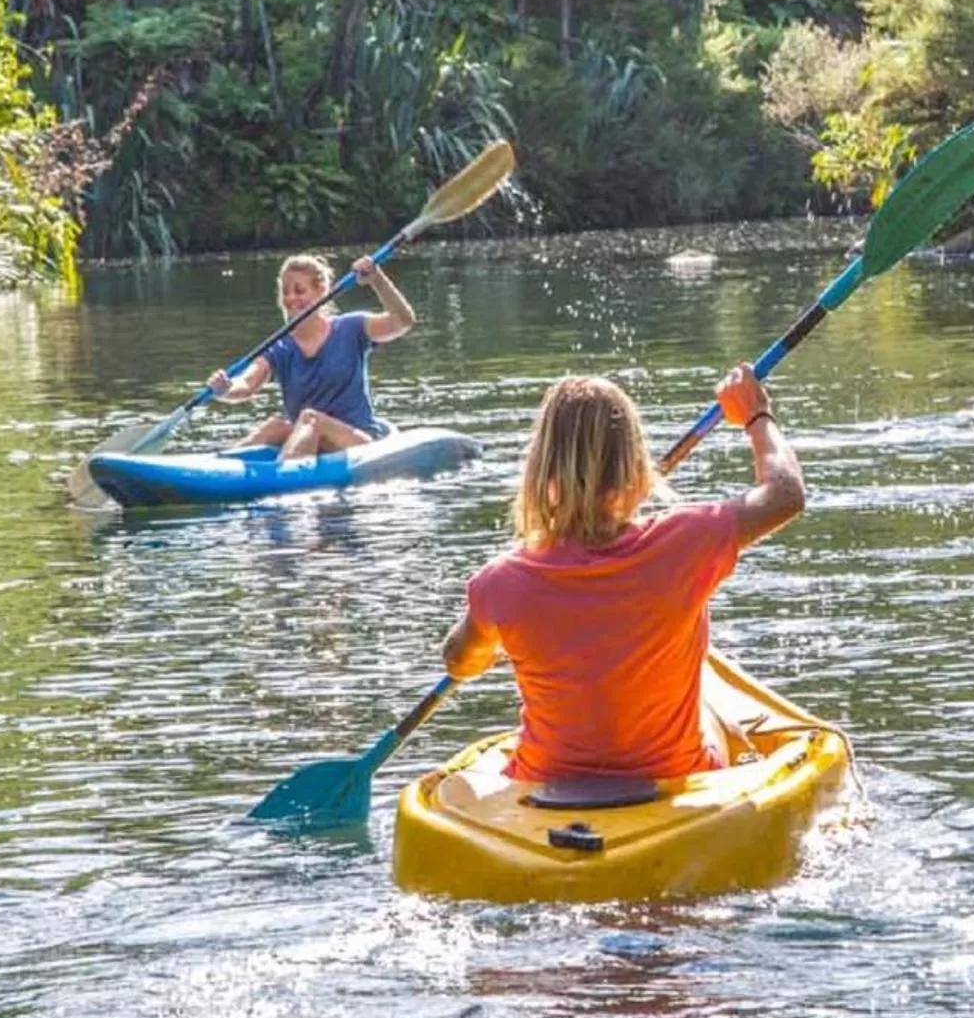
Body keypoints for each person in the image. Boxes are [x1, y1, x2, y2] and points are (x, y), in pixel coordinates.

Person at [440, 365, 804, 787]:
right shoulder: (687, 538)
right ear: (636, 467)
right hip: (675, 776)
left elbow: (459, 662)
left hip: (546, 785)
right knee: (713, 704)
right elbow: (785, 494)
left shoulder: (499, 582)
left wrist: (496, 636)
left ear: (541, 471)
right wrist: (757, 417)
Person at [205, 252, 414, 458]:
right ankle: (218, 466)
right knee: (275, 427)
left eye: (299, 291)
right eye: (285, 292)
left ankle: (284, 478)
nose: (290, 298)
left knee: (310, 418)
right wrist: (225, 388)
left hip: (359, 442)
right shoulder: (279, 348)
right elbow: (246, 385)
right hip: (308, 436)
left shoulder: (352, 327)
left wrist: (377, 280)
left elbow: (402, 322)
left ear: (321, 291)